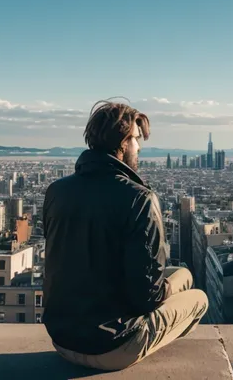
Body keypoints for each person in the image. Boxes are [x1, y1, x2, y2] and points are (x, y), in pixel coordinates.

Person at [42, 100, 208, 371]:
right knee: (198, 297)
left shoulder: (56, 191)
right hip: (112, 347)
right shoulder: (139, 198)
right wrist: (165, 288)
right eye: (136, 139)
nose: (139, 148)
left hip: (61, 340)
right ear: (123, 142)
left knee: (183, 273)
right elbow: (148, 298)